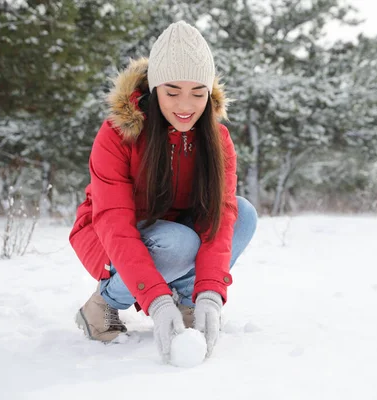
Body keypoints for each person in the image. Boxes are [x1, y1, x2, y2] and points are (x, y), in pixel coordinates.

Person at [68, 20, 258, 362]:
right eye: (173, 92)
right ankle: (102, 306)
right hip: (110, 235)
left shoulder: (219, 141)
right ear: (155, 90)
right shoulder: (118, 133)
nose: (186, 105)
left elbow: (221, 217)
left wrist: (210, 294)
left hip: (175, 230)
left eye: (198, 93)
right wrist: (156, 299)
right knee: (177, 242)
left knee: (243, 213)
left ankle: (187, 304)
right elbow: (113, 220)